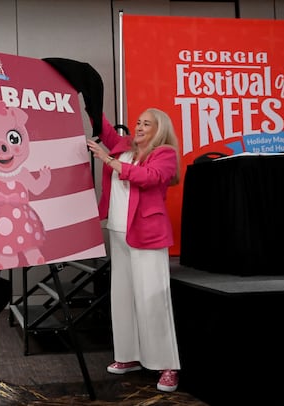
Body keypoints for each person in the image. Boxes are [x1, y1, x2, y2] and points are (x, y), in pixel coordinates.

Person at [87, 108, 181, 392]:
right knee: (123, 297)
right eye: (138, 122)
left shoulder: (165, 153)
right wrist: (90, 98)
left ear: (159, 129)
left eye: (146, 124)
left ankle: (168, 366)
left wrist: (106, 160)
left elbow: (149, 177)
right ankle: (129, 356)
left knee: (153, 300)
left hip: (147, 234)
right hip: (117, 231)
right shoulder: (124, 146)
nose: (138, 126)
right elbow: (103, 128)